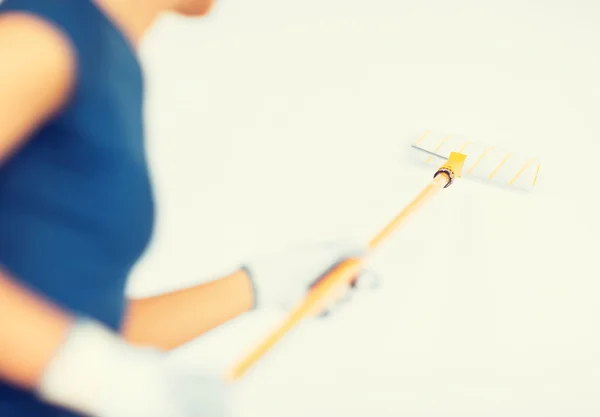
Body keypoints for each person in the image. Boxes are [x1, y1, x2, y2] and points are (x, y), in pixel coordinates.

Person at [0, 0, 380, 416]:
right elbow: (75, 354)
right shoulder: (38, 37)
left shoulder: (108, 59)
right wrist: (96, 374)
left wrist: (259, 283)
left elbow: (79, 322)